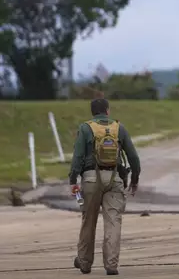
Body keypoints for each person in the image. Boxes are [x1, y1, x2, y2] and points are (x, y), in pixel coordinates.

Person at [69, 98, 141, 275]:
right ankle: (111, 264)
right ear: (107, 111)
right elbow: (133, 157)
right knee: (113, 222)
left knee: (88, 222)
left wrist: (73, 180)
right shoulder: (119, 128)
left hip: (91, 178)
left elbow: (77, 157)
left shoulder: (85, 128)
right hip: (115, 178)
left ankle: (85, 263)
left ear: (93, 112)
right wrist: (135, 179)